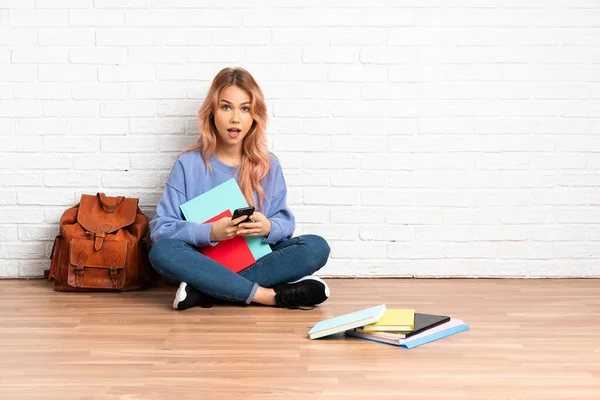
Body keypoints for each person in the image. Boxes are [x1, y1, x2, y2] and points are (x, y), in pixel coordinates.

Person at [148, 67, 331, 311]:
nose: (235, 118)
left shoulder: (269, 165)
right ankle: (268, 296)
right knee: (162, 251)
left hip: (255, 259)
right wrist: (211, 232)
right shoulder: (188, 164)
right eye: (226, 107)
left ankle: (204, 291)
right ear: (212, 112)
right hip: (200, 262)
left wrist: (267, 227)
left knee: (316, 246)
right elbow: (161, 229)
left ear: (254, 116)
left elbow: (284, 225)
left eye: (245, 109)